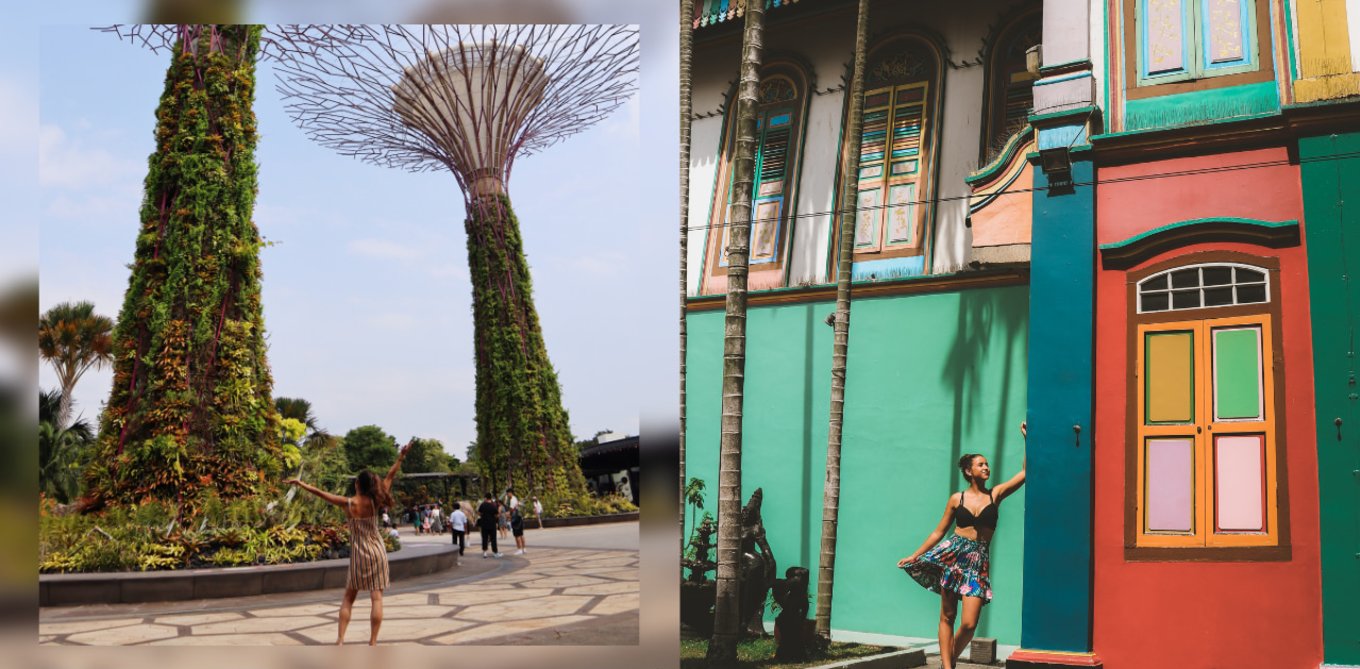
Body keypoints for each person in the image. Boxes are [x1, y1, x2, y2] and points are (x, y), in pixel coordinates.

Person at [898, 422, 1027, 669]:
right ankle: (948, 667)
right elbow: (939, 531)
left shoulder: (995, 495)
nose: (986, 467)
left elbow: (1024, 474)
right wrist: (916, 555)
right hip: (953, 555)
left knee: (968, 624)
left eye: (987, 464)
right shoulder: (957, 498)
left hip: (978, 561)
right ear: (969, 471)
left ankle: (950, 659)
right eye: (981, 464)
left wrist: (1026, 440)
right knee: (948, 616)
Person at [287, 441, 412, 646]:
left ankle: (340, 640)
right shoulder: (376, 500)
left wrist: (300, 484)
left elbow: (319, 493)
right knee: (377, 598)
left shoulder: (348, 504)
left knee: (348, 598)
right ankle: (372, 642)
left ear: (357, 485)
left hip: (359, 553)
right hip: (378, 550)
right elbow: (390, 476)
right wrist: (401, 456)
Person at [477, 493, 502, 558]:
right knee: (493, 538)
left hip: (484, 524)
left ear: (485, 498)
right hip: (492, 524)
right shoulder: (493, 505)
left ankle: (485, 553)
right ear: (490, 498)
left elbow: (479, 513)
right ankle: (495, 553)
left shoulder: (482, 505)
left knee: (484, 538)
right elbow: (496, 515)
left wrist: (484, 515)